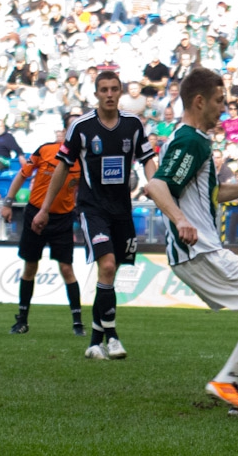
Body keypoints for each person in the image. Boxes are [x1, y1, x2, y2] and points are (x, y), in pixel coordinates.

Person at [144, 68, 238, 417]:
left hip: (197, 250)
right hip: (200, 249)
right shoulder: (191, 141)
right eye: (218, 101)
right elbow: (157, 186)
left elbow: (217, 194)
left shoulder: (189, 140)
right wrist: (181, 220)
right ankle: (227, 380)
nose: (223, 109)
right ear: (199, 101)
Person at [32, 70, 158, 361]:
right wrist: (44, 209)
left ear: (121, 91)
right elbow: (63, 166)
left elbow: (149, 160)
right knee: (109, 265)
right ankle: (112, 337)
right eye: (104, 89)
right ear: (96, 93)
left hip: (122, 210)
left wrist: (154, 186)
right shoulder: (81, 127)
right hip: (92, 209)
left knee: (109, 275)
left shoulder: (133, 125)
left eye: (115, 88)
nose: (110, 94)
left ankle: (94, 342)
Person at [2, 130, 84, 336]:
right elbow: (22, 175)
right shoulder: (45, 150)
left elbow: (83, 189)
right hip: (35, 215)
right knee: (30, 267)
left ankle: (77, 323)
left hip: (62, 219)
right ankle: (22, 320)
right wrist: (8, 202)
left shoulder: (82, 160)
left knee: (67, 269)